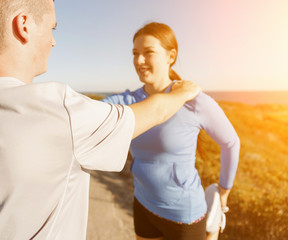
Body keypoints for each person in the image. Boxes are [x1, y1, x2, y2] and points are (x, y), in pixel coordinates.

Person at [0, 1, 201, 239]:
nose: (53, 40)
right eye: (52, 28)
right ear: (24, 25)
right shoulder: (60, 112)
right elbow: (153, 112)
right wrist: (183, 91)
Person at [102, 22, 240, 240]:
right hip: (143, 205)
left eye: (148, 53)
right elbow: (90, 113)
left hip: (184, 216)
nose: (139, 61)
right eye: (135, 53)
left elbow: (231, 143)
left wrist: (224, 190)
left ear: (170, 56)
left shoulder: (194, 101)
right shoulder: (128, 101)